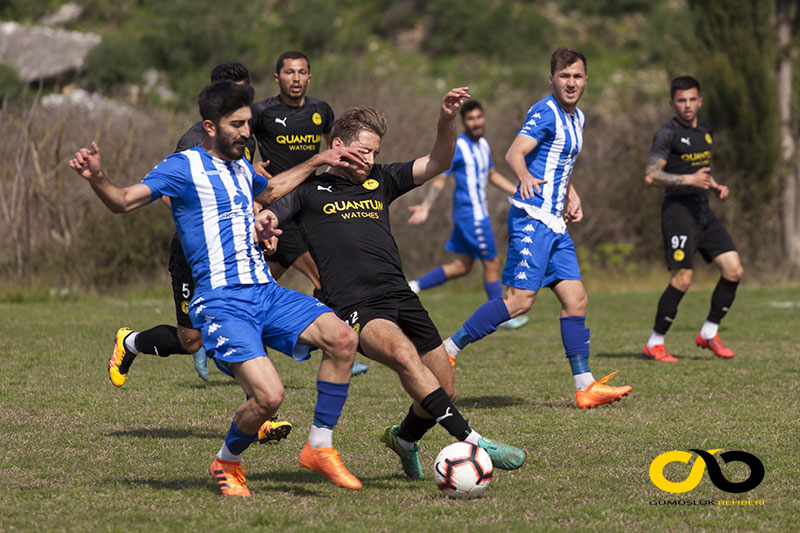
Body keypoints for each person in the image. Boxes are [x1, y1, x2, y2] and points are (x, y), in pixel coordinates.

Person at [70, 80, 370, 496]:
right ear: (210, 126)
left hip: (265, 290)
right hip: (221, 300)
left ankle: (319, 446)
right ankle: (227, 462)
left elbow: (274, 189)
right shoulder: (182, 167)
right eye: (237, 124)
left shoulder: (241, 167)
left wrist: (319, 159)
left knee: (342, 338)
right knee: (269, 397)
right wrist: (97, 176)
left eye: (249, 123)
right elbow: (123, 200)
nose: (247, 132)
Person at [262, 89, 527, 481]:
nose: (370, 160)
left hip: (400, 293)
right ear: (338, 147)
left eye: (375, 153)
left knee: (444, 390)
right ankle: (473, 440)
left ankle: (402, 440)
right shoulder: (308, 190)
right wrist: (315, 161)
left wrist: (445, 120)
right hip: (353, 302)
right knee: (404, 356)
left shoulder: (381, 180)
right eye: (363, 151)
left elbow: (439, 161)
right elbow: (266, 194)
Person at [442, 48, 632, 409]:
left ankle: (585, 386)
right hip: (532, 218)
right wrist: (525, 176)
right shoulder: (546, 111)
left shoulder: (578, 119)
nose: (571, 83)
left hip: (555, 223)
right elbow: (515, 153)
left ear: (586, 79)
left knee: (576, 300)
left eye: (577, 76)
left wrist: (571, 194)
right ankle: (448, 349)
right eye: (564, 76)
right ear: (552, 79)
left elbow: (561, 162)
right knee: (519, 302)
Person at [109, 62, 254, 386]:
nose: (245, 97)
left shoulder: (245, 136)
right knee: (191, 341)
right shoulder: (193, 141)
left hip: (232, 254)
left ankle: (263, 414)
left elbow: (244, 187)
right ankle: (129, 342)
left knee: (241, 323)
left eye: (247, 90)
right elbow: (167, 194)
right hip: (193, 255)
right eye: (237, 91)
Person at [251, 50, 368, 376]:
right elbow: (237, 148)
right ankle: (336, 346)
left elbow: (336, 148)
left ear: (310, 77)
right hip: (278, 210)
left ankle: (213, 335)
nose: (296, 78)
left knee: (262, 283)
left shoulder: (321, 111)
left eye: (302, 72)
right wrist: (252, 165)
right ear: (277, 78)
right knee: (323, 274)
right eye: (289, 72)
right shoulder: (261, 112)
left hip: (312, 205)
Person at [641, 76, 743, 362]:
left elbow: (701, 171)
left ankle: (709, 333)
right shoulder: (667, 134)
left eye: (691, 100)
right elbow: (650, 176)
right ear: (672, 103)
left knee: (734, 270)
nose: (687, 106)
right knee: (683, 278)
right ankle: (655, 342)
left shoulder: (706, 131)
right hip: (678, 212)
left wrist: (715, 185)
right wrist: (689, 179)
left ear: (700, 101)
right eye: (681, 100)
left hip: (703, 211)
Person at [406, 100, 529, 335]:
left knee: (462, 266)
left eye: (479, 117)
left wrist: (518, 190)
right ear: (464, 122)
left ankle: (414, 286)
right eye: (471, 118)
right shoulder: (459, 147)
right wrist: (425, 206)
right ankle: (501, 316)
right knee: (491, 262)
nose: (476, 122)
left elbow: (491, 174)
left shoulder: (483, 145)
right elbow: (442, 178)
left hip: (475, 214)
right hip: (470, 216)